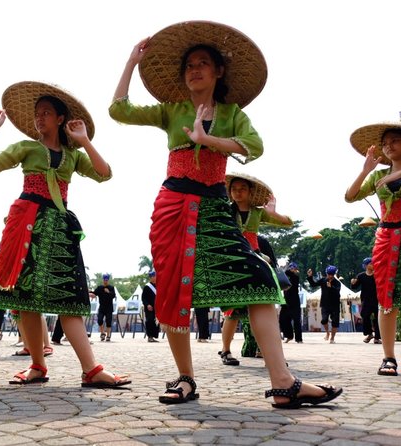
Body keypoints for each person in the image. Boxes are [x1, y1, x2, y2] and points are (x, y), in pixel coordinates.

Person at [109, 20, 341, 407]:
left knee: (260, 276)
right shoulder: (172, 110)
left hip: (216, 208)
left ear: (218, 71)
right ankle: (185, 379)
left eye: (203, 63)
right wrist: (131, 63)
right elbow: (119, 109)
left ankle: (283, 381)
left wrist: (207, 139)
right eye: (189, 65)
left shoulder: (233, 113)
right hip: (173, 205)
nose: (195, 69)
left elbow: (254, 147)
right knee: (171, 286)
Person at [0, 81, 129, 387]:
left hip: (59, 229)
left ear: (60, 119)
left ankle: (91, 369)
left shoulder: (72, 155)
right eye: (37, 114)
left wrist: (84, 140)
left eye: (46, 113)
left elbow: (104, 173)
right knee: (27, 299)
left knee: (68, 297)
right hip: (26, 226)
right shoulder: (27, 148)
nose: (39, 118)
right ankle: (37, 366)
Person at [345, 110, 401, 377]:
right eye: (385, 143)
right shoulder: (377, 174)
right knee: (386, 297)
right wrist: (365, 171)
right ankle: (389, 358)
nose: (388, 146)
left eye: (394, 140)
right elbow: (350, 196)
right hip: (386, 235)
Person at [219, 174, 293, 361]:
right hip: (233, 261)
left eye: (242, 188)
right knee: (232, 311)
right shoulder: (225, 211)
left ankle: (264, 351)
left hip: (254, 260)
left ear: (250, 191)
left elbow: (287, 222)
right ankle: (226, 351)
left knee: (260, 304)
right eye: (234, 189)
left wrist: (274, 213)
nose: (238, 192)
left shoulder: (258, 212)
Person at [306, 266, 341, 343]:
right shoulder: (323, 280)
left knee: (335, 322)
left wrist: (331, 287)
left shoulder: (337, 283)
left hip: (335, 305)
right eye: (329, 274)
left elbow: (337, 292)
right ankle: (327, 333)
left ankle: (332, 338)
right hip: (325, 304)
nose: (330, 276)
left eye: (332, 274)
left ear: (334, 274)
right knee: (324, 320)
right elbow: (313, 285)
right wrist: (310, 277)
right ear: (326, 273)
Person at [350, 257, 381, 344]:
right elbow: (354, 287)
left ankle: (377, 338)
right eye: (371, 263)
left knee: (378, 318)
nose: (373, 265)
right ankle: (370, 334)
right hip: (366, 300)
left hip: (377, 299)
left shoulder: (377, 275)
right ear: (366, 265)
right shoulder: (361, 276)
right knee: (364, 315)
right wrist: (352, 283)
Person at [280, 262, 303, 343]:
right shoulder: (286, 277)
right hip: (286, 302)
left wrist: (290, 270)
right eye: (291, 268)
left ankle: (299, 339)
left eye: (293, 268)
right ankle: (289, 336)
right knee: (283, 319)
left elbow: (287, 272)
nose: (291, 270)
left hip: (295, 302)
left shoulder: (296, 277)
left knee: (297, 321)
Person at [94, 274, 116, 342]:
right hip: (102, 307)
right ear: (103, 280)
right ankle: (102, 333)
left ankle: (108, 335)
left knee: (108, 321)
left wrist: (108, 292)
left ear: (108, 280)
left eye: (106, 280)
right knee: (100, 320)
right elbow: (95, 293)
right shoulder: (100, 287)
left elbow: (113, 296)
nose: (105, 281)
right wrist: (90, 293)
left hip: (109, 307)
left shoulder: (111, 287)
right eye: (104, 280)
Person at [141, 270, 160, 342]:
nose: (154, 278)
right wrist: (147, 305)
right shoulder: (147, 287)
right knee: (150, 321)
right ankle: (150, 336)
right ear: (150, 277)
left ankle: (154, 335)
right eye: (152, 276)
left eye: (155, 276)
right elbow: (143, 298)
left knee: (156, 322)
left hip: (157, 307)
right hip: (149, 308)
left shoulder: (158, 286)